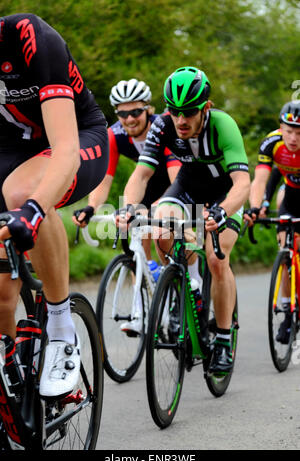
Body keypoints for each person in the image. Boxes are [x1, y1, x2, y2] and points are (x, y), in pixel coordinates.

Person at [0, 14, 109, 398]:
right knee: (1, 296)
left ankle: (61, 325)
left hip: (77, 138)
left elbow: (65, 149)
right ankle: (11, 382)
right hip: (8, 152)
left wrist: (33, 208)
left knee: (22, 194)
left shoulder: (30, 37)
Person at [117, 66, 250, 374]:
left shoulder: (223, 125)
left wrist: (223, 210)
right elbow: (142, 173)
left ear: (205, 107)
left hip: (224, 194)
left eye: (188, 112)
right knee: (161, 225)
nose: (181, 120)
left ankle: (223, 336)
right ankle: (182, 287)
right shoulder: (162, 125)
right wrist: (129, 207)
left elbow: (242, 183)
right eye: (174, 111)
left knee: (217, 260)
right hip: (187, 189)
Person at [73, 78, 181, 334]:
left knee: (163, 235)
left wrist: (159, 207)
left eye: (135, 112)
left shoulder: (164, 129)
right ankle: (141, 312)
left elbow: (177, 179)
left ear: (149, 109)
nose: (129, 119)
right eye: (122, 113)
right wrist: (91, 208)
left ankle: (182, 290)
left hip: (175, 179)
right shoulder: (115, 135)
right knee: (137, 244)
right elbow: (104, 178)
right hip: (145, 183)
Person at [244, 100, 300, 344]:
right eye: (289, 131)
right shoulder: (272, 142)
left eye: (299, 133)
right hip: (291, 196)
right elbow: (259, 180)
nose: (293, 138)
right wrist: (256, 207)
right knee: (285, 248)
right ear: (280, 127)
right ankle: (288, 312)